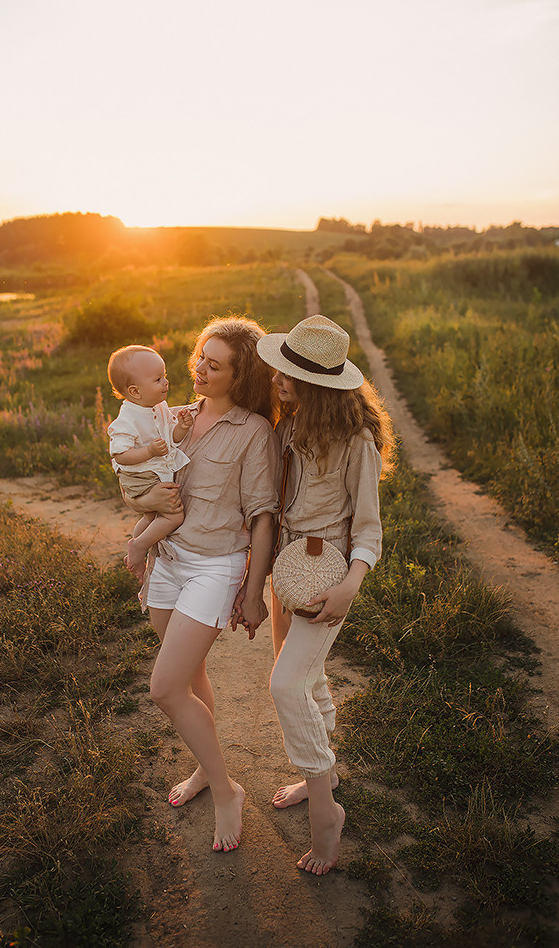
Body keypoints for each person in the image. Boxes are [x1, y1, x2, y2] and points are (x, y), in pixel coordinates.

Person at [124, 317, 281, 853]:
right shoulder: (175, 418)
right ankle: (202, 765)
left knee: (164, 688)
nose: (199, 369)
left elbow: (263, 515)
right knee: (190, 674)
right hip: (168, 559)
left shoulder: (255, 432)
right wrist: (143, 534)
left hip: (216, 567)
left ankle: (225, 790)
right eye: (199, 358)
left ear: (241, 377)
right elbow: (141, 479)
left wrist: (254, 590)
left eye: (215, 365)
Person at [252, 314, 394, 875]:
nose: (278, 379)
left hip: (326, 575)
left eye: (290, 374)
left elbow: (368, 528)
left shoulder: (356, 442)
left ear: (318, 384)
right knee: (307, 676)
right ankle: (325, 776)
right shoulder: (290, 428)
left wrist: (350, 587)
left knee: (285, 683)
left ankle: (325, 810)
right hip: (286, 573)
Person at [107, 344, 194, 581]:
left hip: (153, 471)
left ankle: (135, 544)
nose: (166, 382)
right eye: (158, 379)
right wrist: (149, 451)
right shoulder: (127, 418)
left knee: (150, 517)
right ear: (135, 391)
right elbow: (120, 455)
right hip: (139, 475)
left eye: (164, 376)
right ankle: (140, 546)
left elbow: (170, 440)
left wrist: (181, 428)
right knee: (174, 516)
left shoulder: (159, 407)